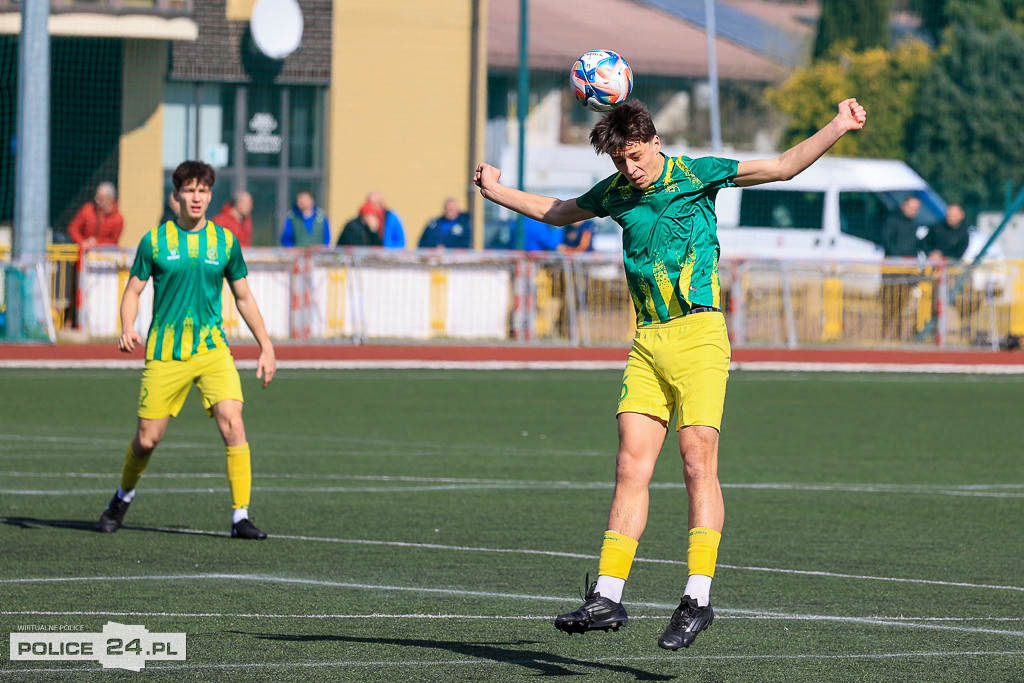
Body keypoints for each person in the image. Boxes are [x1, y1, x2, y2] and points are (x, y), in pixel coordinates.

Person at [474, 97, 866, 650]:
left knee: (695, 460)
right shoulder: (616, 193)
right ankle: (607, 595)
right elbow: (560, 211)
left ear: (655, 142)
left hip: (699, 335)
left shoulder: (697, 174)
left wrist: (838, 125)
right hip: (648, 342)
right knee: (629, 465)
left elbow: (780, 166)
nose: (629, 169)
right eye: (619, 162)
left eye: (634, 156)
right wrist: (496, 191)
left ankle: (697, 598)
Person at [96, 160, 276, 541]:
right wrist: (128, 326)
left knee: (234, 423)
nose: (197, 198)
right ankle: (122, 497)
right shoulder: (154, 241)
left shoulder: (225, 242)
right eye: (190, 190)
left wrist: (266, 345)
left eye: (204, 191)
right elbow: (133, 290)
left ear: (211, 195)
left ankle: (240, 516)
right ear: (176, 195)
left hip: (212, 351)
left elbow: (243, 296)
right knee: (147, 439)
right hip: (166, 354)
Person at [880, 194, 923, 342]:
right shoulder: (892, 220)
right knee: (889, 305)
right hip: (893, 271)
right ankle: (886, 334)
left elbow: (916, 246)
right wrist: (901, 259)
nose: (913, 211)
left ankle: (900, 336)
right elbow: (887, 241)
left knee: (904, 306)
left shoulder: (914, 224)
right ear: (903, 206)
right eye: (911, 207)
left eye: (916, 208)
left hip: (909, 271)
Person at [68, 181, 124, 248]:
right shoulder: (87, 209)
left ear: (109, 199)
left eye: (100, 198)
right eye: (96, 196)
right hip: (83, 251)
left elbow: (113, 241)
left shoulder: (118, 219)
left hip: (104, 254)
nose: (96, 200)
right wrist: (82, 242)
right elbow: (73, 228)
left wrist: (96, 243)